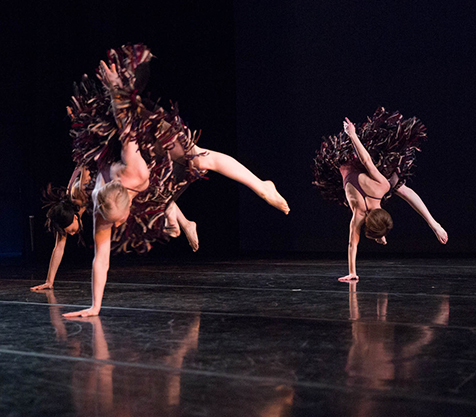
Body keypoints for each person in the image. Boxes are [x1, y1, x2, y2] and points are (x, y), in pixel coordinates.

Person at [63, 45, 289, 318]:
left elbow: (126, 124)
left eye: (118, 221)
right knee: (158, 189)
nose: (117, 226)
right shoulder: (102, 209)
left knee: (201, 159)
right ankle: (182, 222)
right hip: (131, 166)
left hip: (143, 136)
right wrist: (95, 306)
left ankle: (262, 186)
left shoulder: (135, 171)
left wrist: (115, 92)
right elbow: (101, 260)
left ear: (128, 202)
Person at [313, 109, 447, 282]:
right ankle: (432, 224)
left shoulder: (381, 188)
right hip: (354, 162)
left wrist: (352, 134)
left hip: (356, 162)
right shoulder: (358, 214)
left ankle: (432, 224)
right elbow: (352, 244)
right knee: (398, 187)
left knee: (397, 187)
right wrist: (352, 272)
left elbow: (366, 161)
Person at [30, 167, 90, 291]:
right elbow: (58, 248)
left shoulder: (80, 193)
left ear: (75, 218)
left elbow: (85, 164)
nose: (72, 234)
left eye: (71, 230)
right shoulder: (65, 213)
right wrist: (49, 281)